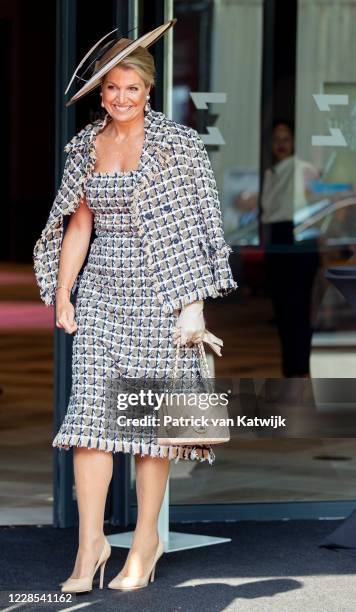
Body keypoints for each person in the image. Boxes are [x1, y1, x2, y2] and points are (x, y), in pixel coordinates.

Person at [32, 20, 237, 593]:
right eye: (111, 89)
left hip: (160, 294)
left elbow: (197, 227)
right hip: (102, 292)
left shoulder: (179, 146)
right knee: (89, 425)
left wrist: (192, 308)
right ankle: (90, 543)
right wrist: (66, 293)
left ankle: (145, 538)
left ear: (150, 90)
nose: (121, 98)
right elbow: (79, 222)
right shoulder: (85, 146)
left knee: (149, 424)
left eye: (132, 88)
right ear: (101, 94)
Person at [261, 119, 320, 377]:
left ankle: (299, 368)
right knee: (283, 309)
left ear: (294, 142)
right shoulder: (269, 173)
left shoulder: (303, 168)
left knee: (298, 308)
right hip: (277, 238)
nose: (281, 145)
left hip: (300, 237)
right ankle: (291, 368)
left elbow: (319, 203)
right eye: (277, 140)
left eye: (286, 139)